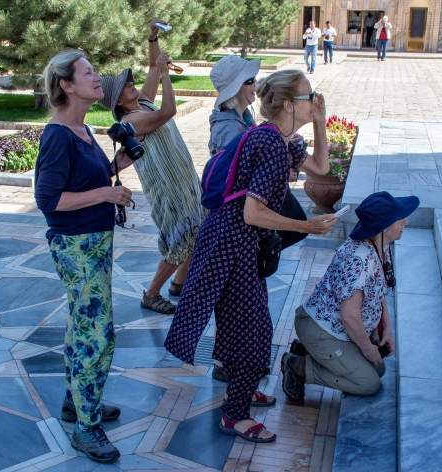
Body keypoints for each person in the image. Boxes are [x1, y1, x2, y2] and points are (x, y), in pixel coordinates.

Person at [165, 69, 339, 443]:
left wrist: (320, 123)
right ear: (290, 104)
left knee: (240, 322)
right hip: (232, 239)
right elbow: (252, 212)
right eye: (310, 97)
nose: (315, 101)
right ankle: (235, 415)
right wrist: (306, 227)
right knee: (253, 329)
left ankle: (239, 392)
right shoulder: (272, 146)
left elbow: (321, 168)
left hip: (236, 240)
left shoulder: (281, 141)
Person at [35, 50, 136, 464]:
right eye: (89, 73)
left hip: (93, 244)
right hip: (77, 247)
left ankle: (76, 404)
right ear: (67, 85)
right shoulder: (58, 133)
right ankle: (87, 429)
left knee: (82, 328)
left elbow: (83, 180)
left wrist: (115, 168)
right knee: (98, 335)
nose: (98, 78)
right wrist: (105, 193)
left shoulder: (83, 128)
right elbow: (48, 199)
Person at [207, 55, 310, 383]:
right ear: (235, 88)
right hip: (234, 229)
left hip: (247, 231)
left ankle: (237, 365)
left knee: (245, 304)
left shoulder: (244, 117)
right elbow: (237, 182)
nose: (256, 86)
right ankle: (231, 365)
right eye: (249, 81)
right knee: (239, 306)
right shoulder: (227, 125)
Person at [99, 19, 206, 315]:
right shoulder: (131, 121)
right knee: (179, 239)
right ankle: (151, 294)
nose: (132, 84)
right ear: (118, 100)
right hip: (169, 189)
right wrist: (167, 75)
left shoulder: (142, 103)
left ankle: (179, 284)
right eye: (125, 86)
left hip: (182, 180)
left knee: (193, 230)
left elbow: (152, 67)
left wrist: (152, 37)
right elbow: (170, 111)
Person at [281, 191, 420, 399]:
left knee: (379, 369)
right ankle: (296, 366)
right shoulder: (358, 260)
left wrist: (387, 329)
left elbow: (379, 289)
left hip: (337, 330)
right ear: (386, 226)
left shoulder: (381, 245)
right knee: (368, 383)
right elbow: (349, 315)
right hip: (322, 330)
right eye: (401, 219)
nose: (405, 222)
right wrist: (367, 348)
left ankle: (305, 350)